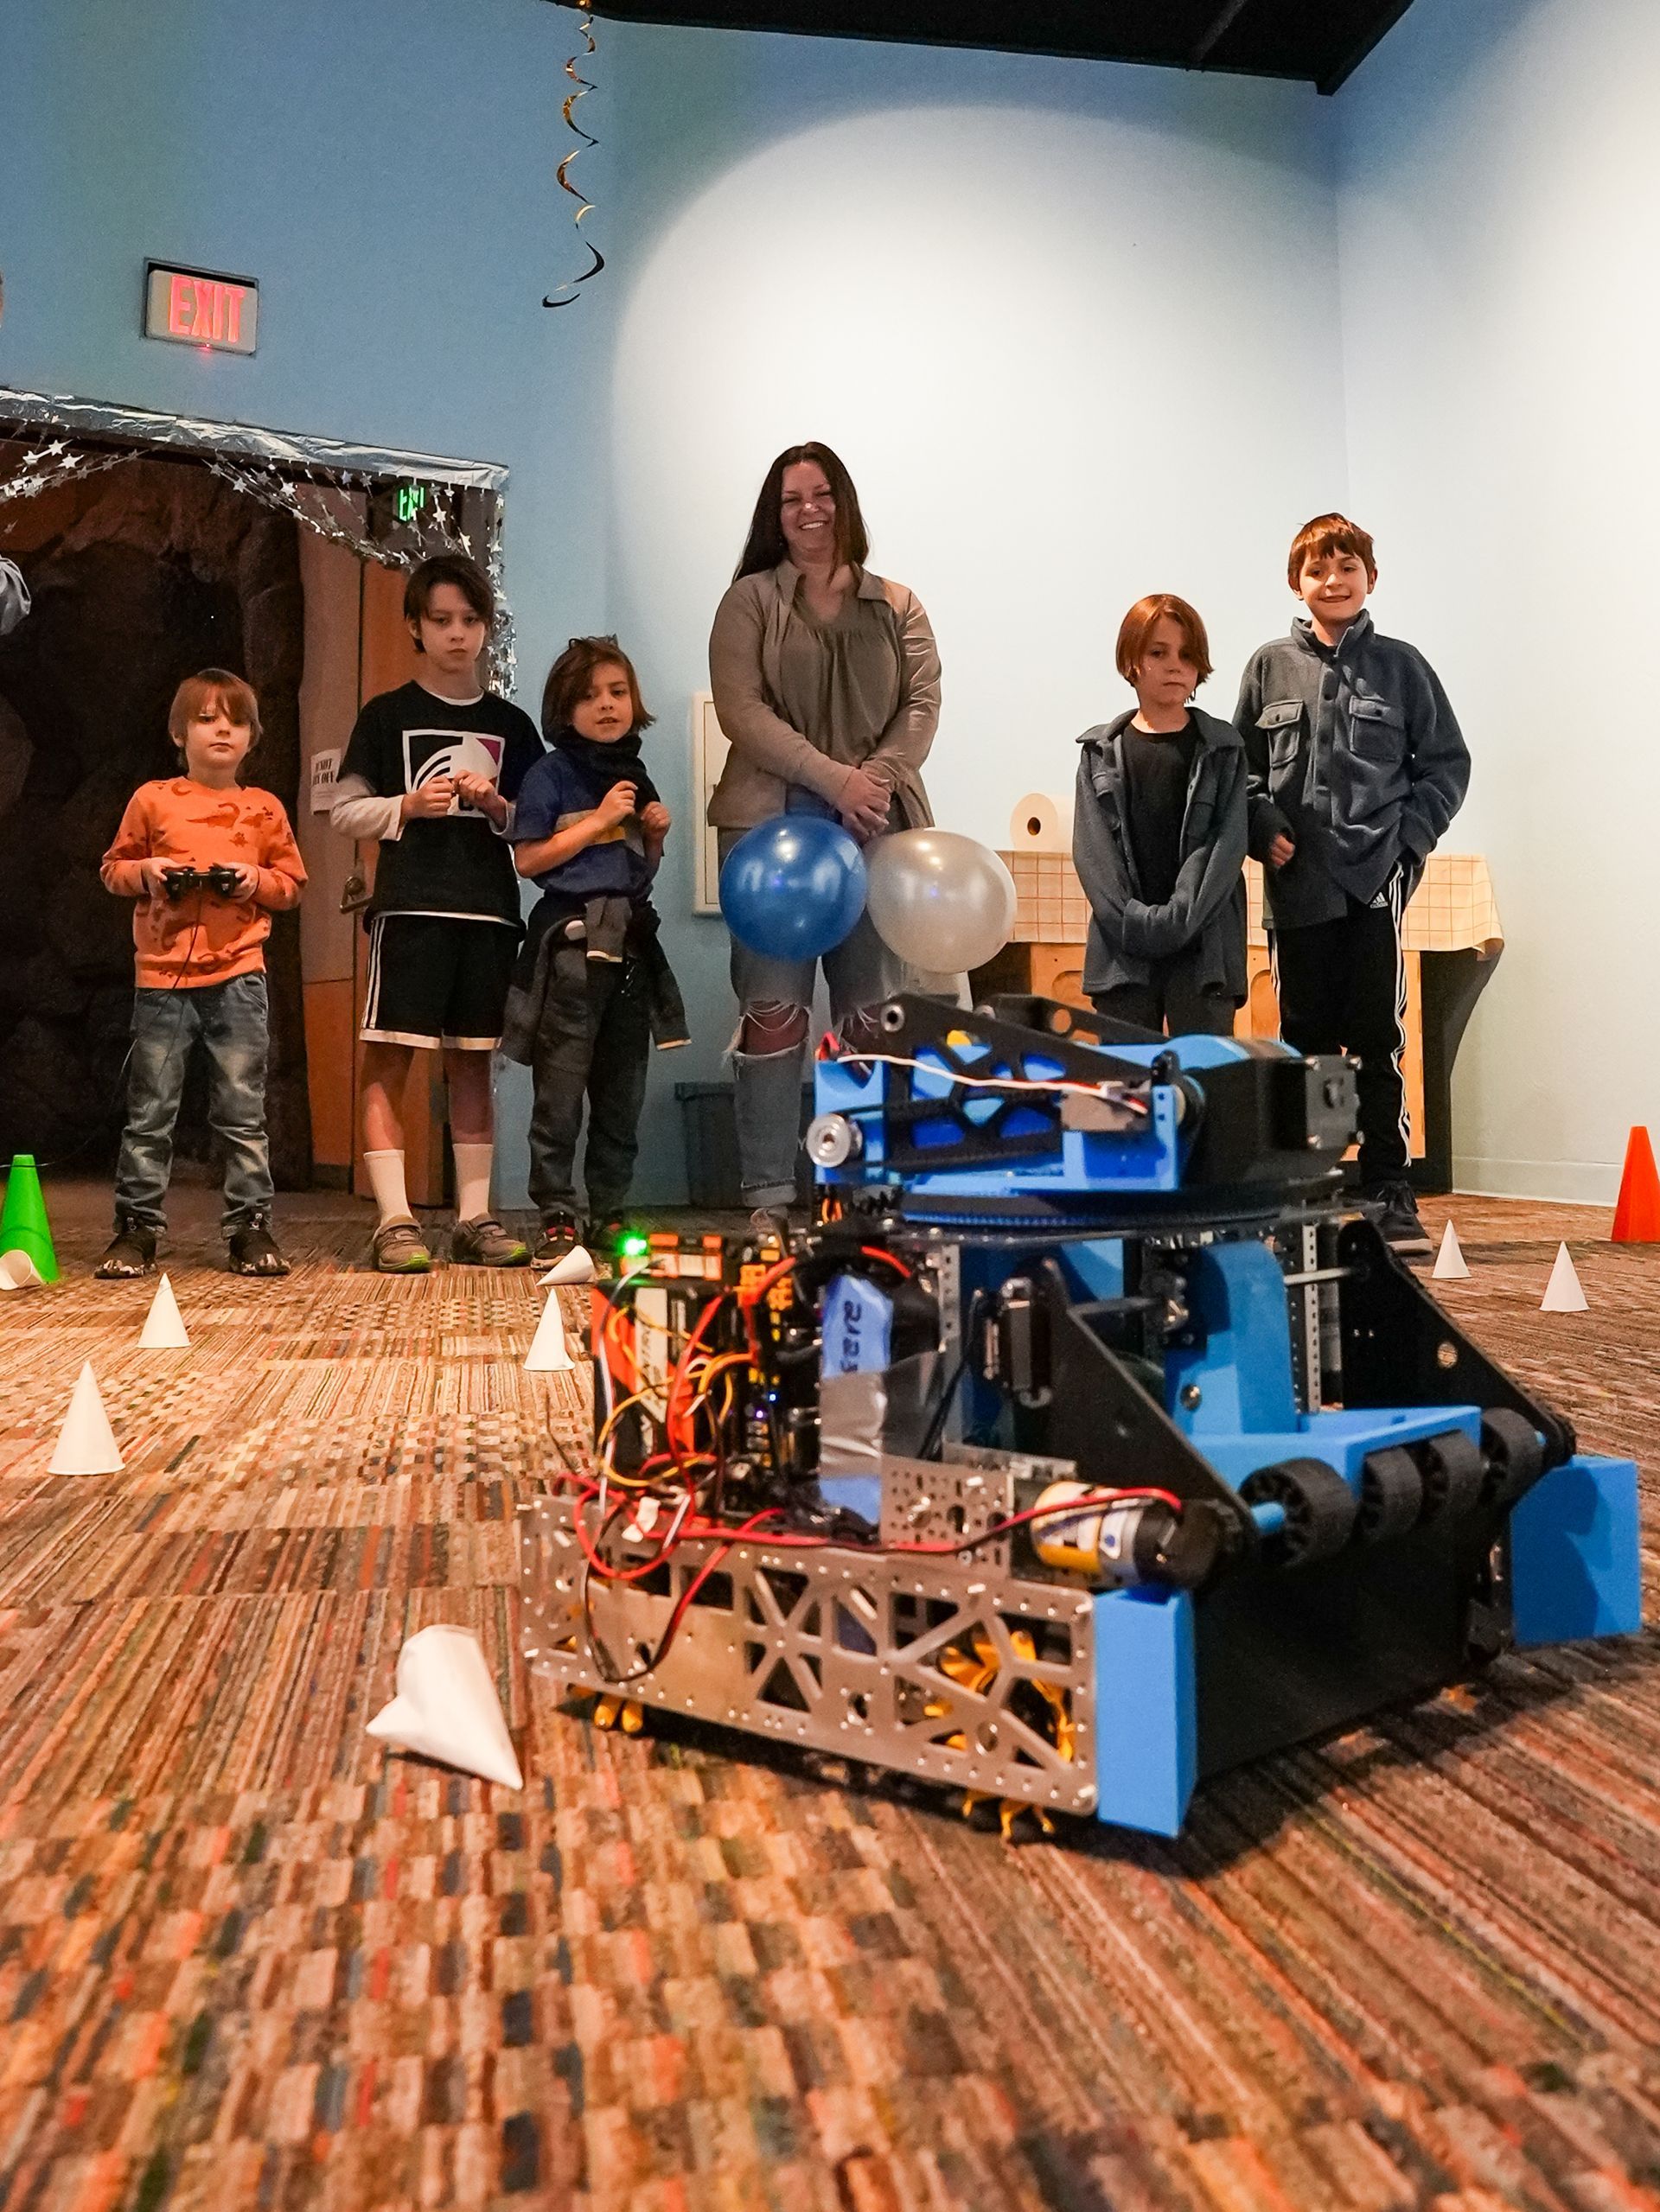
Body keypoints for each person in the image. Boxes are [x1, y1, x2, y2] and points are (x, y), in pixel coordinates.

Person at [707, 441, 941, 1239]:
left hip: (877, 826)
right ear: (775, 519)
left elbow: (920, 708)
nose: (807, 509)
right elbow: (742, 711)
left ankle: (859, 1192)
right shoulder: (749, 602)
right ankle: (769, 1194)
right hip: (771, 828)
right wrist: (831, 779)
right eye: (789, 499)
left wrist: (868, 782)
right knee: (773, 1013)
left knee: (871, 1017)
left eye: (819, 493)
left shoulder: (900, 605)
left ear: (844, 500)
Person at [1236, 513, 1471, 1253]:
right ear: (1294, 582)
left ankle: (1387, 1186)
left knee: (1376, 1039)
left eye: (1347, 567)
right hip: (1297, 890)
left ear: (1371, 577)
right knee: (1305, 1044)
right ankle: (1304, 1186)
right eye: (1317, 570)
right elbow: (1234, 769)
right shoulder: (1267, 666)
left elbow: (1446, 765)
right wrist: (1259, 819)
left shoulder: (1404, 667)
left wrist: (1410, 843)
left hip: (1374, 885)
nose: (1332, 581)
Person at [331, 553, 543, 1272]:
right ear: (416, 626)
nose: (458, 634)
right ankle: (394, 1217)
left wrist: (495, 804)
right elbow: (344, 808)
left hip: (489, 914)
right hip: (410, 910)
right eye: (442, 620)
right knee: (389, 1057)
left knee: (475, 1065)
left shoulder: (511, 723)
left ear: (486, 627)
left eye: (471, 620)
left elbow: (535, 826)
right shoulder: (387, 713)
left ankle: (475, 1216)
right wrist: (406, 805)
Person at [97, 669, 305, 1278]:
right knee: (150, 1108)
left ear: (252, 737)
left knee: (242, 1108)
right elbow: (113, 869)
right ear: (178, 733)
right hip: (162, 975)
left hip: (240, 973)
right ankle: (136, 1228)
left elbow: (293, 884)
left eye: (236, 720)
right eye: (207, 718)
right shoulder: (152, 798)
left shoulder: (263, 807)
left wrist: (254, 881)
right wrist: (151, 870)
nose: (222, 730)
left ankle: (250, 1226)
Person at [503, 636, 687, 1262]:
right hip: (572, 949)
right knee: (560, 1092)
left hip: (630, 948)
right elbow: (529, 859)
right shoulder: (550, 774)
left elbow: (637, 871)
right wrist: (597, 817)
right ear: (564, 707)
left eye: (616, 692)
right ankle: (557, 1212)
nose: (605, 706)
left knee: (621, 1093)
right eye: (588, 696)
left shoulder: (636, 774)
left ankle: (610, 1211)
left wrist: (655, 840)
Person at [1071, 594, 1247, 1037]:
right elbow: (1094, 856)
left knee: (1208, 1089)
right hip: (1122, 956)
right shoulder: (1098, 753)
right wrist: (1134, 922)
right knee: (1121, 1093)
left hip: (1204, 951)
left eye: (1187, 655)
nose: (1175, 666)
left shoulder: (1224, 749)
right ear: (1132, 660)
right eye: (1158, 652)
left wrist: (1176, 921)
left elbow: (1223, 849)